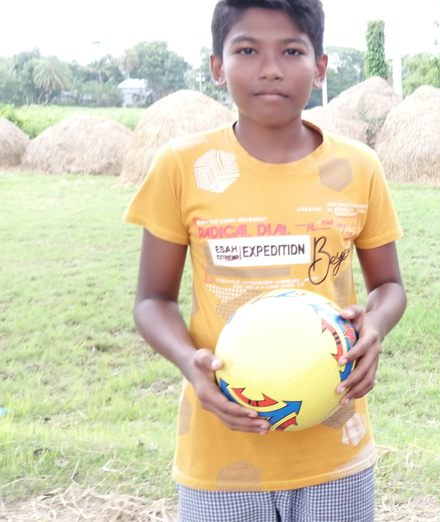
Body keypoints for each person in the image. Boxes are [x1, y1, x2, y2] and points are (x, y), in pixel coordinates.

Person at [125, 1, 406, 520]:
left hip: (334, 453)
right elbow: (152, 300)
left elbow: (389, 286)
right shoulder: (182, 167)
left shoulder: (358, 167)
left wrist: (375, 326)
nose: (271, 68)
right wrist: (190, 364)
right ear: (218, 66)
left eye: (292, 51)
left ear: (320, 67)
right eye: (248, 50)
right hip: (221, 455)